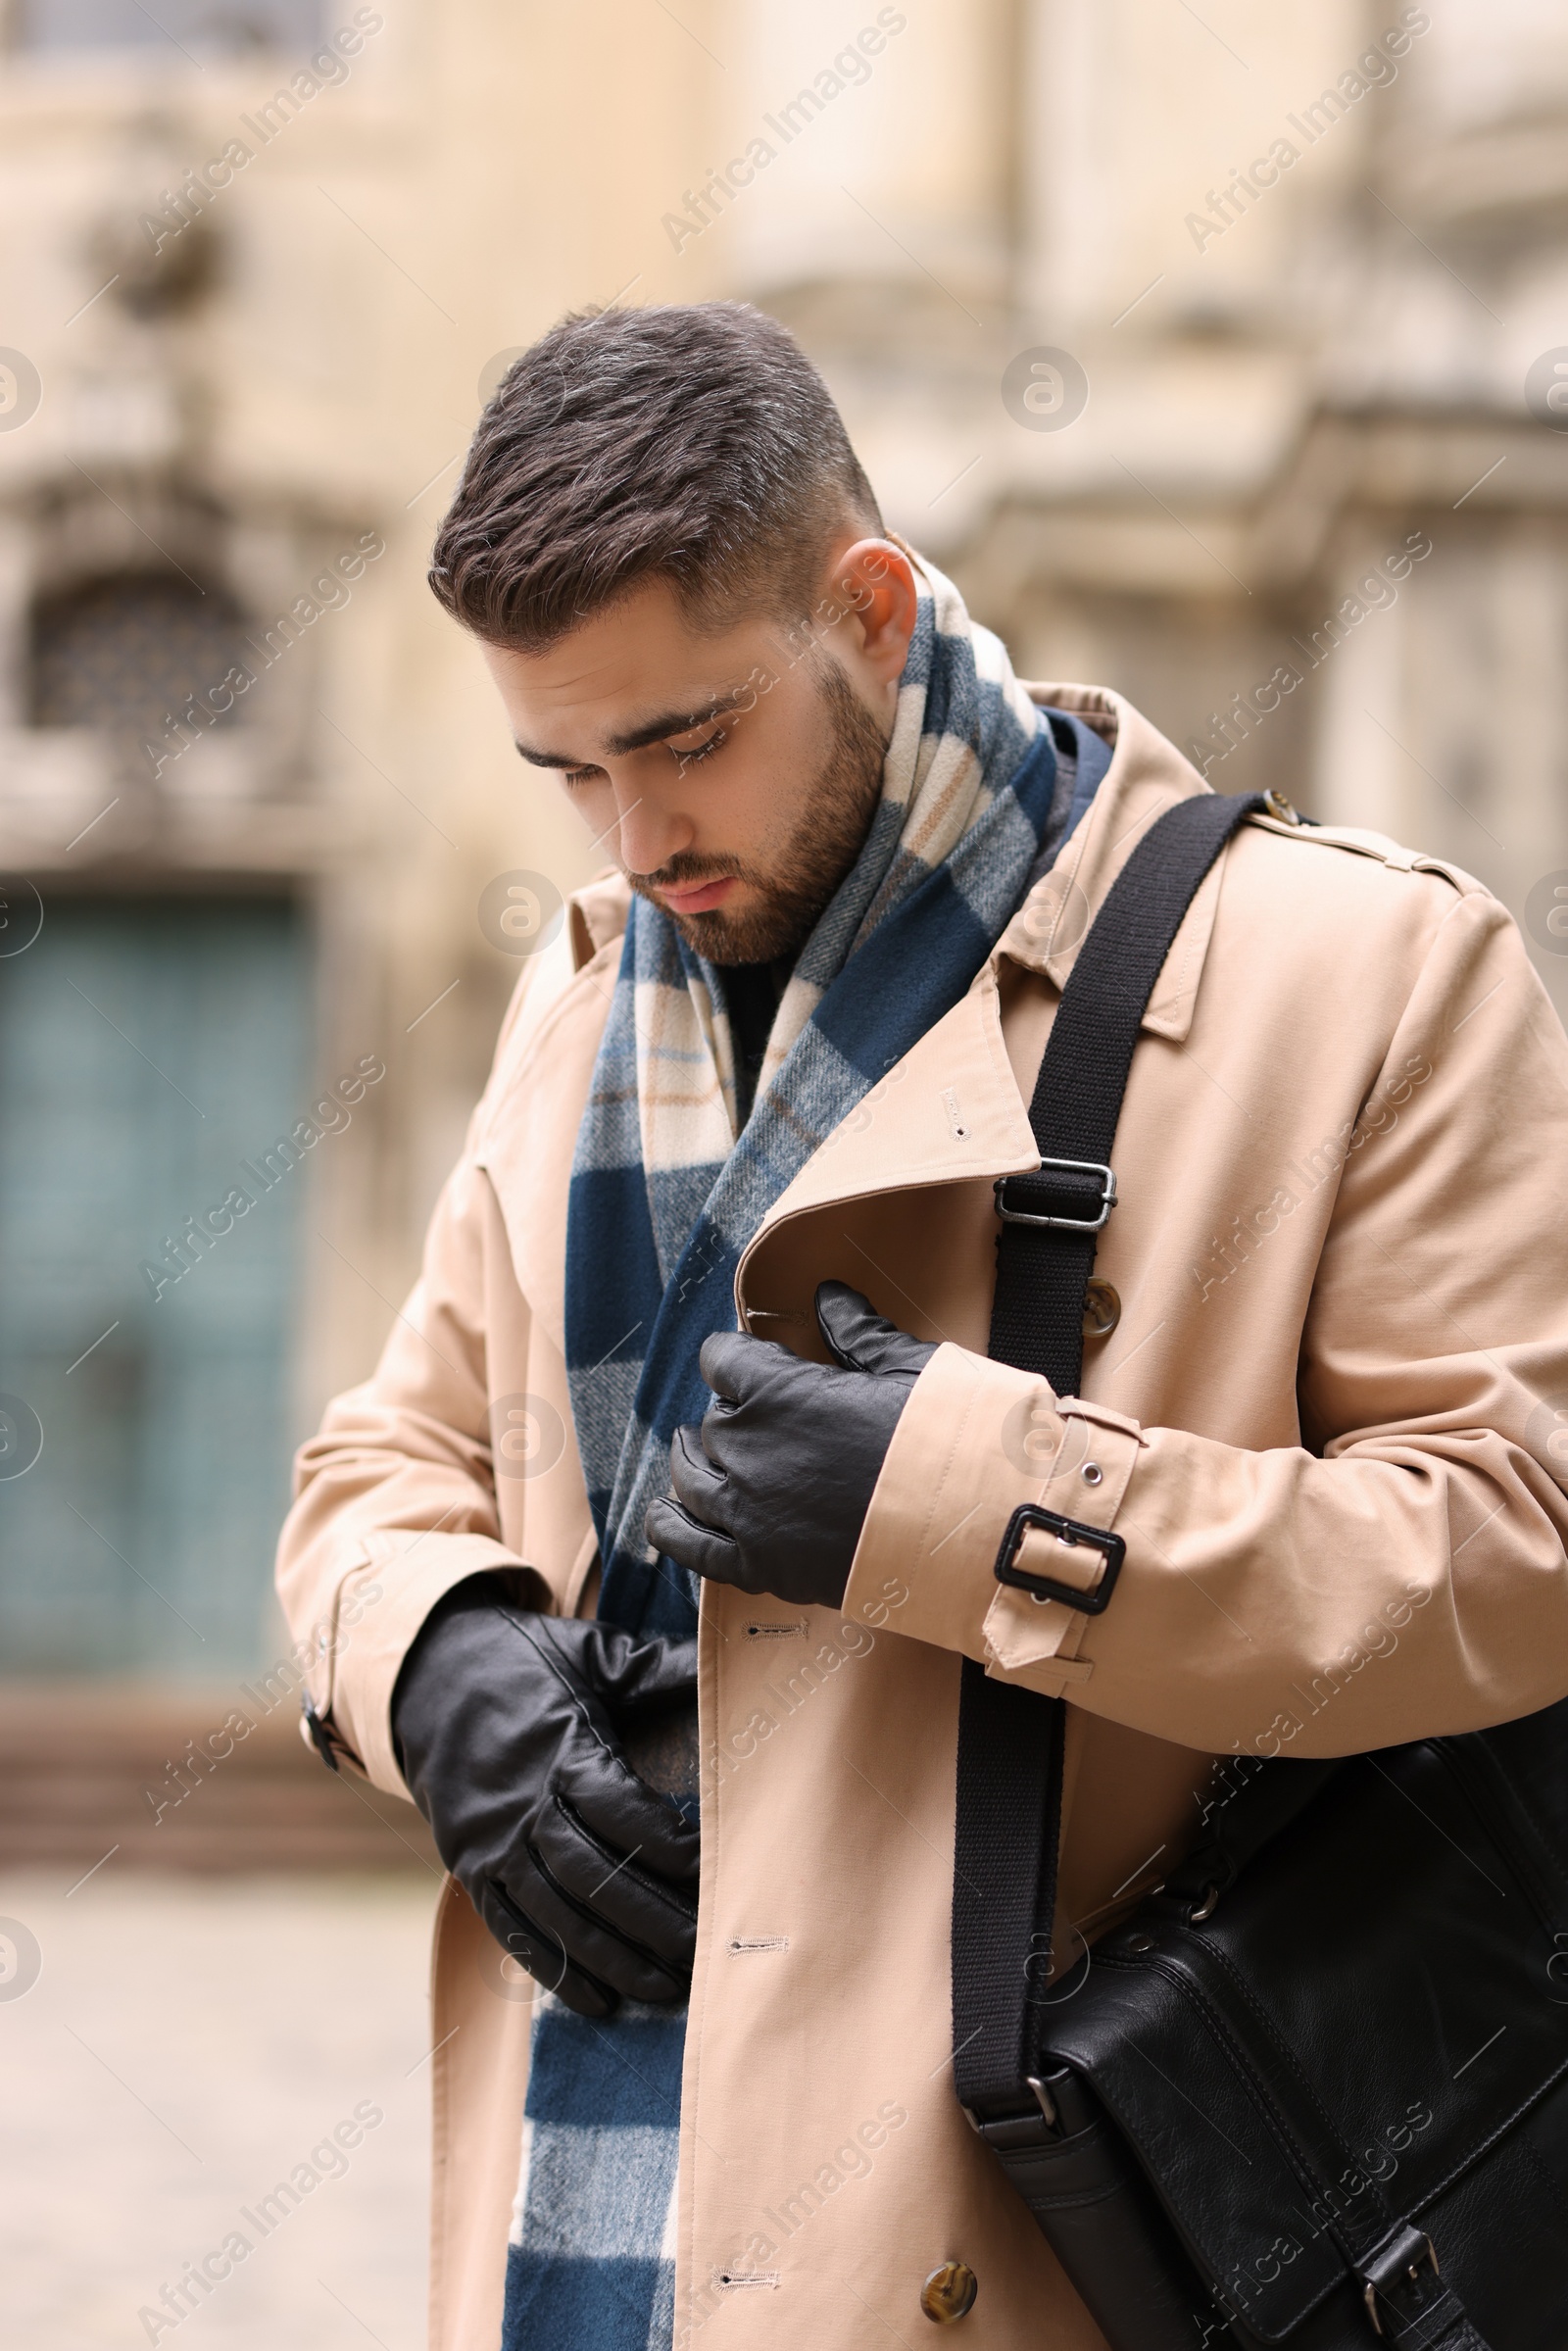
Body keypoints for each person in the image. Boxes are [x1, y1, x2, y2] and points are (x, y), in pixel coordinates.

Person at [275, 301, 1568, 2351]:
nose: (632, 841)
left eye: (686, 738)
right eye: (565, 768)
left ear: (870, 609)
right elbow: (380, 1464)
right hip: (579, 2233)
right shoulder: (577, 1002)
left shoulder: (1361, 972)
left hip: (1035, 2250)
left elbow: (1513, 1555)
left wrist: (968, 1496)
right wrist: (439, 1662)